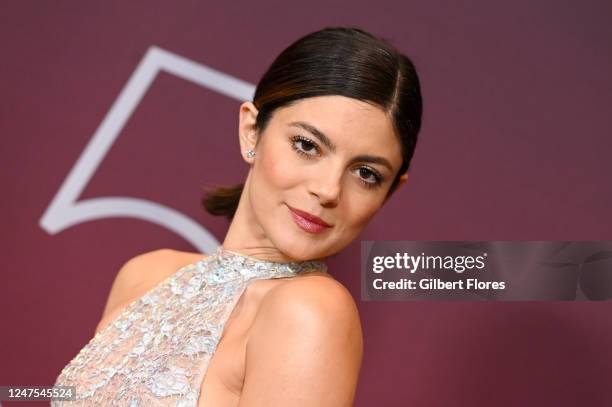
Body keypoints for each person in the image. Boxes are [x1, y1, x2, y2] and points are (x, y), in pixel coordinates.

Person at [52, 26, 422, 406]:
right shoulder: (144, 275)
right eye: (307, 145)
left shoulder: (311, 312)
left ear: (390, 191)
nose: (328, 190)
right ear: (251, 131)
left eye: (366, 174)